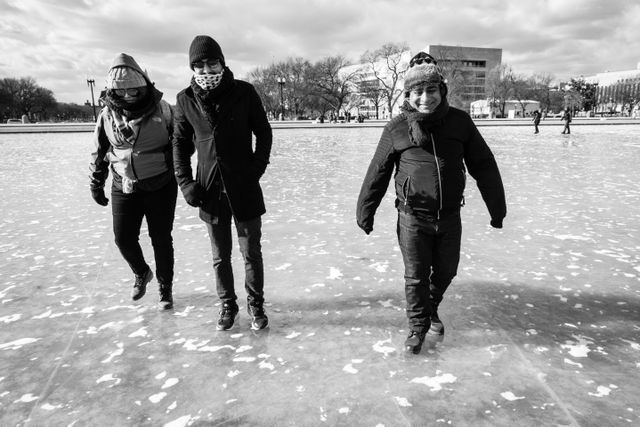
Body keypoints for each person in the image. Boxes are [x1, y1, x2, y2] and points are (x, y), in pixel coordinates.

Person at [356, 52, 506, 354]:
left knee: (447, 271)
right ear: (409, 95)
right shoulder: (397, 128)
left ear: (442, 90)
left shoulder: (460, 122)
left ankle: (430, 306)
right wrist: (365, 210)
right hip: (412, 218)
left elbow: (484, 164)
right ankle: (417, 326)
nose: (426, 98)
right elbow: (378, 170)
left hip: (449, 216)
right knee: (415, 276)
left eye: (432, 90)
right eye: (418, 92)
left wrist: (497, 208)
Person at [173, 35, 273, 331]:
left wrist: (256, 169)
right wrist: (186, 183)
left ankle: (255, 303)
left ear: (222, 62)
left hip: (243, 186)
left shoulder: (244, 92)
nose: (206, 69)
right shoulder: (185, 99)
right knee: (220, 256)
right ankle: (228, 303)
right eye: (199, 64)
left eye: (211, 62)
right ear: (193, 68)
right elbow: (179, 145)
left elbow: (263, 133)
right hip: (209, 190)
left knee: (251, 252)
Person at [89, 53, 177, 310]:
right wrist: (96, 181)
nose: (127, 94)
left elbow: (183, 143)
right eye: (121, 89)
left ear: (144, 85)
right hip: (123, 183)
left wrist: (173, 165)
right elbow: (99, 148)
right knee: (123, 238)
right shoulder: (106, 115)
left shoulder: (164, 110)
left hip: (160, 182)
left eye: (133, 89)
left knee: (161, 239)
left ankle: (165, 289)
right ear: (112, 89)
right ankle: (141, 272)